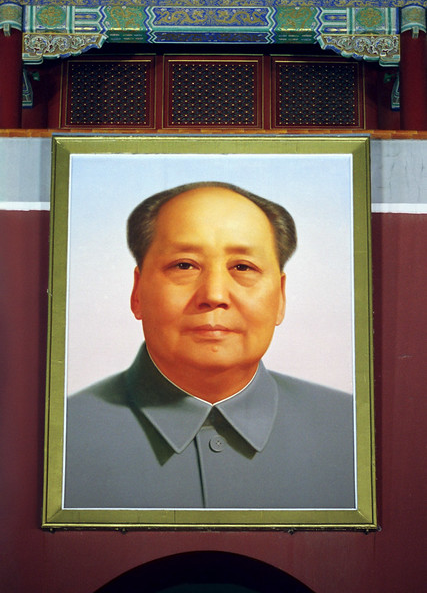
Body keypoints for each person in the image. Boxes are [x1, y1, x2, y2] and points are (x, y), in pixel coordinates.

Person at [65, 182, 355, 509]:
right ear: (137, 292)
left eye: (243, 268)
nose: (214, 295)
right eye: (184, 265)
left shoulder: (353, 432)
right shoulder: (60, 437)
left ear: (281, 298)